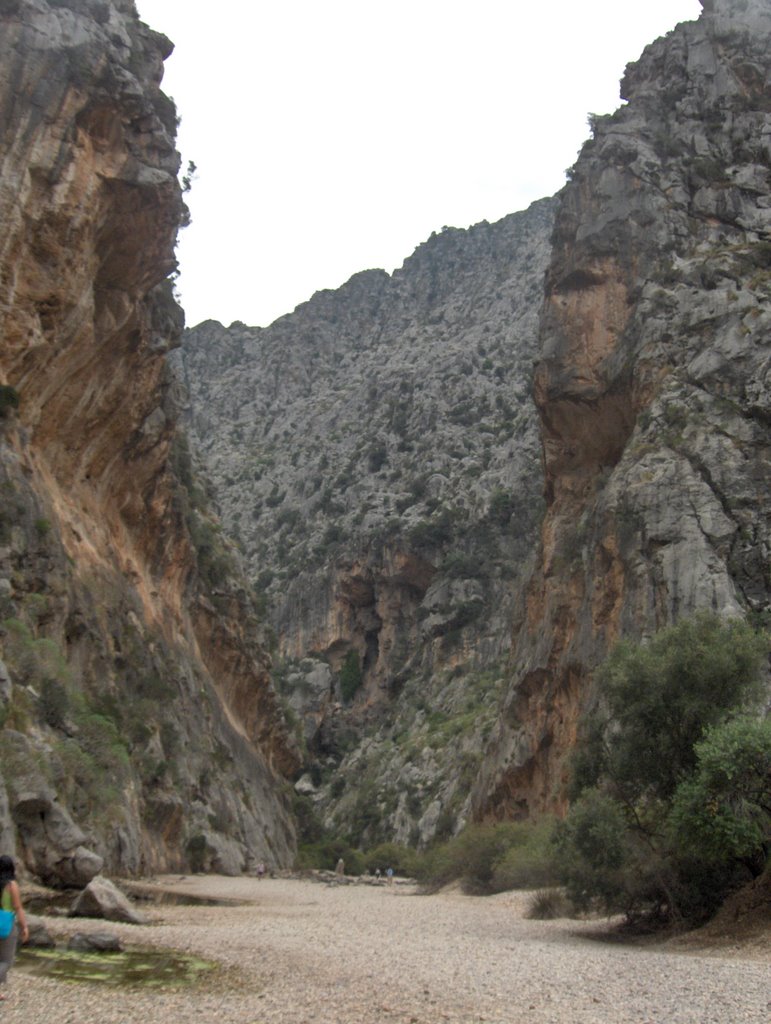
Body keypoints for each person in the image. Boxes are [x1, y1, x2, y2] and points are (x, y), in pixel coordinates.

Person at [0, 855, 28, 1000]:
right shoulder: (11, 885)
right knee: (6, 961)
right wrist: (24, 927)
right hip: (6, 925)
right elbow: (18, 907)